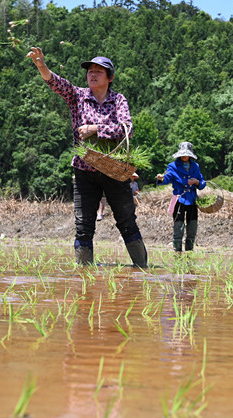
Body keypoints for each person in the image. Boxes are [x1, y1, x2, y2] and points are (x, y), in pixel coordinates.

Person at [27, 47, 147, 268]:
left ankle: (142, 271)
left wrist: (95, 129)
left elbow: (126, 129)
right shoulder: (78, 96)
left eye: (98, 71)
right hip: (85, 171)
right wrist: (41, 65)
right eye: (90, 70)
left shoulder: (118, 100)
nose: (92, 74)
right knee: (83, 225)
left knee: (127, 222)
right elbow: (56, 83)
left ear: (109, 78)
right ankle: (84, 279)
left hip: (114, 170)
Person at [156, 142, 206, 252]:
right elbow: (167, 178)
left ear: (190, 155)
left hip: (192, 199)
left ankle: (189, 251)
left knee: (192, 226)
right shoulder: (173, 166)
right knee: (179, 226)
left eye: (186, 154)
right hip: (179, 198)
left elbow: (202, 182)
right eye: (182, 154)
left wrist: (197, 182)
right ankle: (177, 252)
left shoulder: (195, 166)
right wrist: (161, 179)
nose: (184, 156)